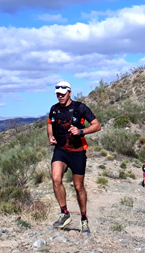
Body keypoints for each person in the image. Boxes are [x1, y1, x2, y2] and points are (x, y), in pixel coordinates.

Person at [47, 81, 101, 235]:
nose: (60, 96)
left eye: (63, 94)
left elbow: (97, 125)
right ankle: (64, 213)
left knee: (78, 187)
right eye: (58, 94)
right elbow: (50, 123)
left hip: (77, 152)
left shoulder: (80, 108)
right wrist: (50, 136)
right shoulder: (54, 109)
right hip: (60, 150)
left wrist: (81, 131)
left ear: (69, 93)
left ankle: (84, 218)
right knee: (56, 179)